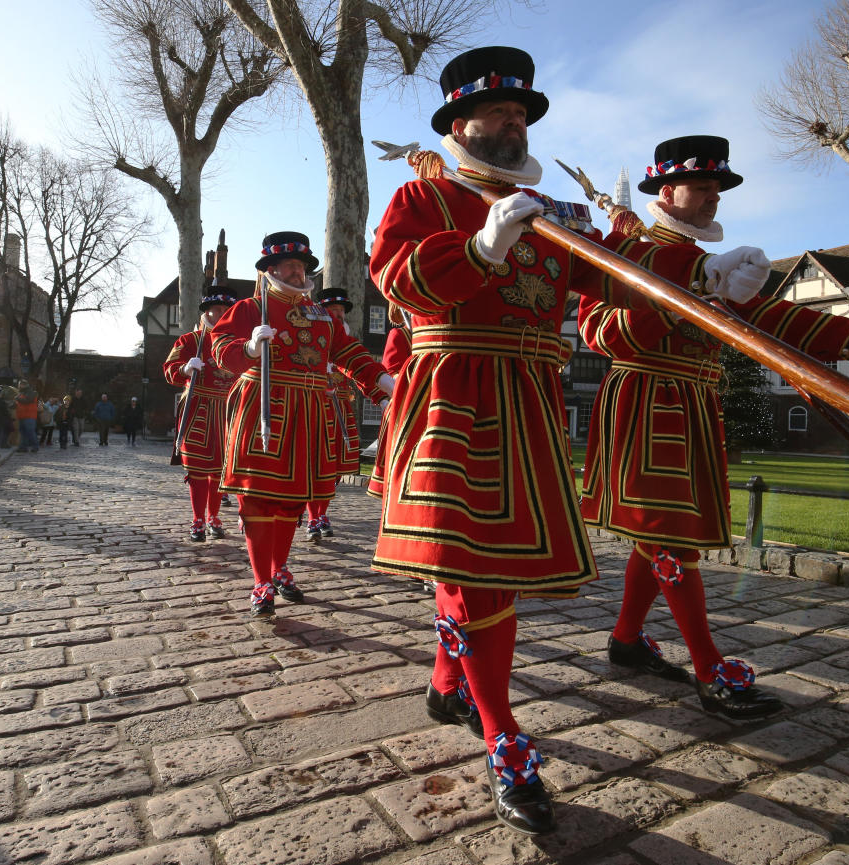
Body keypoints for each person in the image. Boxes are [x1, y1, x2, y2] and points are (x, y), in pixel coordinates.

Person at [366, 46, 648, 836]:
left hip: (529, 402)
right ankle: (502, 737)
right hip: (452, 395)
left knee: (499, 571)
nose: (513, 122)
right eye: (499, 112)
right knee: (474, 571)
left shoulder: (554, 214)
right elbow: (394, 276)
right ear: (461, 123)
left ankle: (446, 682)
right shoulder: (421, 197)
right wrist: (480, 248)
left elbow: (617, 283)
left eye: (522, 113)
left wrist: (677, 261)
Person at [578, 135, 849, 720]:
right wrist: (685, 294)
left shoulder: (719, 260)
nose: (713, 197)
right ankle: (710, 671)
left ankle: (627, 640)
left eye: (718, 188)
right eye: (702, 186)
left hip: (697, 404)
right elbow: (602, 333)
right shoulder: (627, 245)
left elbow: (767, 315)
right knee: (671, 538)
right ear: (666, 190)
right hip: (645, 400)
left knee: (661, 535)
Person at [209, 231, 392, 618]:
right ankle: (261, 580)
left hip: (309, 411)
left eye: (302, 266)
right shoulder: (248, 308)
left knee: (293, 499)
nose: (297, 273)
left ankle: (279, 567)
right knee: (259, 497)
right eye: (290, 266)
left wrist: (381, 382)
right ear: (271, 270)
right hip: (264, 406)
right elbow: (220, 345)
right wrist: (248, 348)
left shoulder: (321, 314)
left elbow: (348, 352)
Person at [165, 291, 238, 541]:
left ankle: (213, 516)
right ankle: (197, 518)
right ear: (206, 312)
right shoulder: (190, 340)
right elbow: (169, 369)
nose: (219, 315)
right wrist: (185, 369)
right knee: (197, 468)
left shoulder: (235, 343)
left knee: (220, 470)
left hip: (227, 411)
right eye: (215, 310)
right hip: (199, 408)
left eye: (224, 311)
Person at [303, 286, 361, 542]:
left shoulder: (348, 341)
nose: (338, 315)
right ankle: (313, 516)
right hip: (316, 406)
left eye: (341, 311)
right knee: (314, 465)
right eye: (333, 310)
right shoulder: (310, 335)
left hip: (340, 409)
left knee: (335, 467)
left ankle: (322, 512)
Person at [14, 381, 40, 453]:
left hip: (29, 416)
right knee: (23, 433)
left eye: (20, 385)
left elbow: (28, 401)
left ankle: (35, 446)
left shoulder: (32, 392)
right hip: (22, 416)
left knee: (30, 432)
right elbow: (19, 403)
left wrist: (17, 399)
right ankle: (23, 447)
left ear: (23, 385)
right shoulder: (21, 393)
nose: (18, 386)